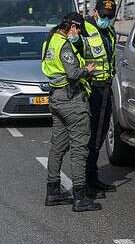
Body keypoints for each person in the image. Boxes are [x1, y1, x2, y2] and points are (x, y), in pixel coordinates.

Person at [41, 12, 102, 212]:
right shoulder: (64, 45)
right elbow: (72, 73)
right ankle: (80, 196)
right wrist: (88, 69)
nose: (78, 34)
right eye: (78, 30)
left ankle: (53, 191)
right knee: (79, 148)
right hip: (71, 100)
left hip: (56, 98)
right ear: (73, 27)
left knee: (58, 145)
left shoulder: (50, 41)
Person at [81, 0, 118, 199]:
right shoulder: (84, 29)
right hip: (90, 89)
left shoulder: (109, 32)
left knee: (100, 135)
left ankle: (92, 177)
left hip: (105, 88)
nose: (106, 19)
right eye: (103, 15)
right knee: (88, 135)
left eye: (110, 17)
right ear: (95, 11)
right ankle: (84, 181)